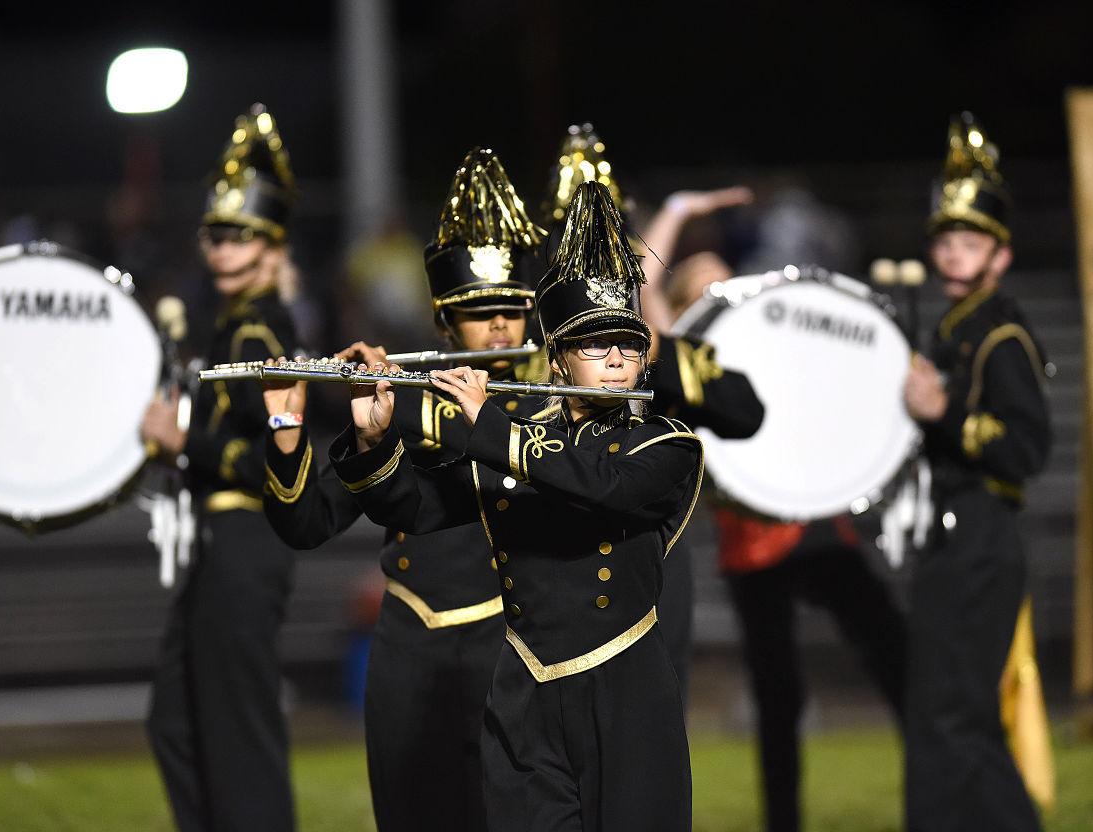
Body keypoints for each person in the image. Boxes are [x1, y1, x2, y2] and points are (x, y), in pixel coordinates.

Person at [332, 181, 704, 831]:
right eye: (592, 343)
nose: (615, 356)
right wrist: (370, 438)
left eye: (628, 342)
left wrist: (488, 426)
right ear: (558, 360)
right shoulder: (514, 435)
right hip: (523, 698)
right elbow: (413, 507)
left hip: (627, 697)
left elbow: (600, 484)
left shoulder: (667, 445)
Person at [263, 147, 549, 831]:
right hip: (411, 647)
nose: (501, 326)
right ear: (446, 323)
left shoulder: (553, 411)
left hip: (515, 646)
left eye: (512, 308)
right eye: (482, 312)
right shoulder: (408, 406)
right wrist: (285, 417)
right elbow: (306, 524)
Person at [640, 184, 907, 832]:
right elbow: (642, 302)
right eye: (703, 286)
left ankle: (942, 790)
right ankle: (783, 821)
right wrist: (675, 216)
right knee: (778, 697)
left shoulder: (765, 343)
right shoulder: (678, 354)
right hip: (751, 542)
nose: (722, 293)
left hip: (817, 526)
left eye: (725, 281)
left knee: (899, 660)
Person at [543, 124, 760, 703]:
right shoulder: (526, 344)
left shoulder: (656, 352)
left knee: (655, 717)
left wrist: (659, 348)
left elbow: (744, 410)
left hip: (647, 558)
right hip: (550, 565)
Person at [140, 104, 302, 832]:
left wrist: (184, 443)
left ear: (271, 248)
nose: (221, 247)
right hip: (218, 544)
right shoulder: (229, 324)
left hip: (247, 543)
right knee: (177, 721)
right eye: (213, 234)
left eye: (239, 236)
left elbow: (271, 457)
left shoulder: (263, 328)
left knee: (238, 733)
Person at [902, 112, 1051, 832]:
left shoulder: (1001, 336)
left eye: (971, 243)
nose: (954, 255)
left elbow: (1027, 446)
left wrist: (946, 415)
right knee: (941, 715)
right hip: (956, 537)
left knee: (953, 718)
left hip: (982, 535)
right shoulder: (956, 331)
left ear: (1000, 257)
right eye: (946, 242)